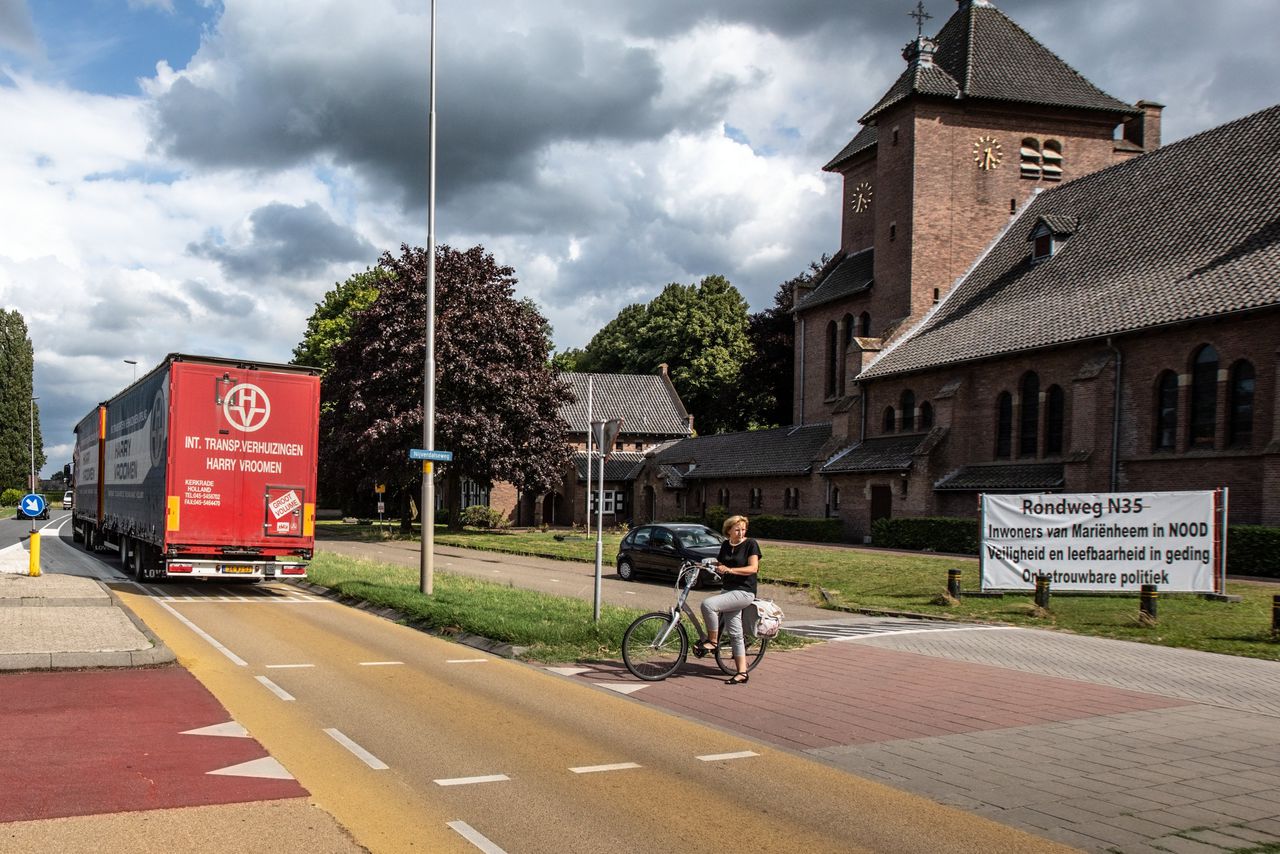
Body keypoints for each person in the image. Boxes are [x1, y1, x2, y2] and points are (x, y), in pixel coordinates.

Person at [695, 515, 761, 685]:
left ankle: (712, 641)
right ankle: (742, 673)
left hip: (744, 592)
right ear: (729, 530)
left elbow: (753, 568)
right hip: (728, 591)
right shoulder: (726, 545)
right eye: (737, 529)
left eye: (743, 529)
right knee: (735, 633)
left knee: (708, 604)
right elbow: (721, 563)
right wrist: (704, 564)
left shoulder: (750, 544)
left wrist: (731, 570)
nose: (741, 533)